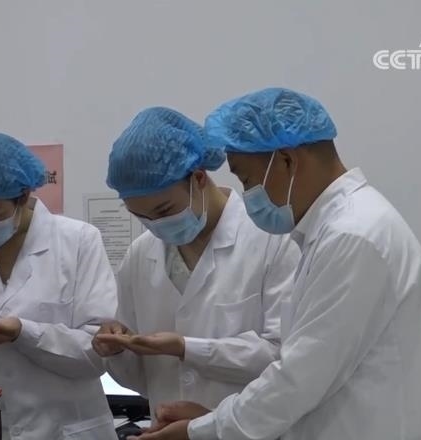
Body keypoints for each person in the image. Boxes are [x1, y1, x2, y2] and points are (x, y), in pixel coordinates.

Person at [134, 88, 421, 440]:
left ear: (287, 160)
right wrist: (211, 419)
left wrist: (199, 431)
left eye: (246, 179)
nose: (247, 194)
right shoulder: (344, 227)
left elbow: (297, 380)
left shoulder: (352, 236)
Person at [92, 107, 299, 416]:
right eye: (141, 216)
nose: (157, 225)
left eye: (164, 210)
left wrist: (187, 348)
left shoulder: (273, 239)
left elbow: (284, 356)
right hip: (167, 426)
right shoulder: (140, 255)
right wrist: (117, 350)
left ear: (199, 178)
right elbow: (143, 380)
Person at [0, 132, 118, 439]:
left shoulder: (78, 241)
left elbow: (98, 355)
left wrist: (24, 333)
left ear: (22, 196)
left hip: (65, 431)